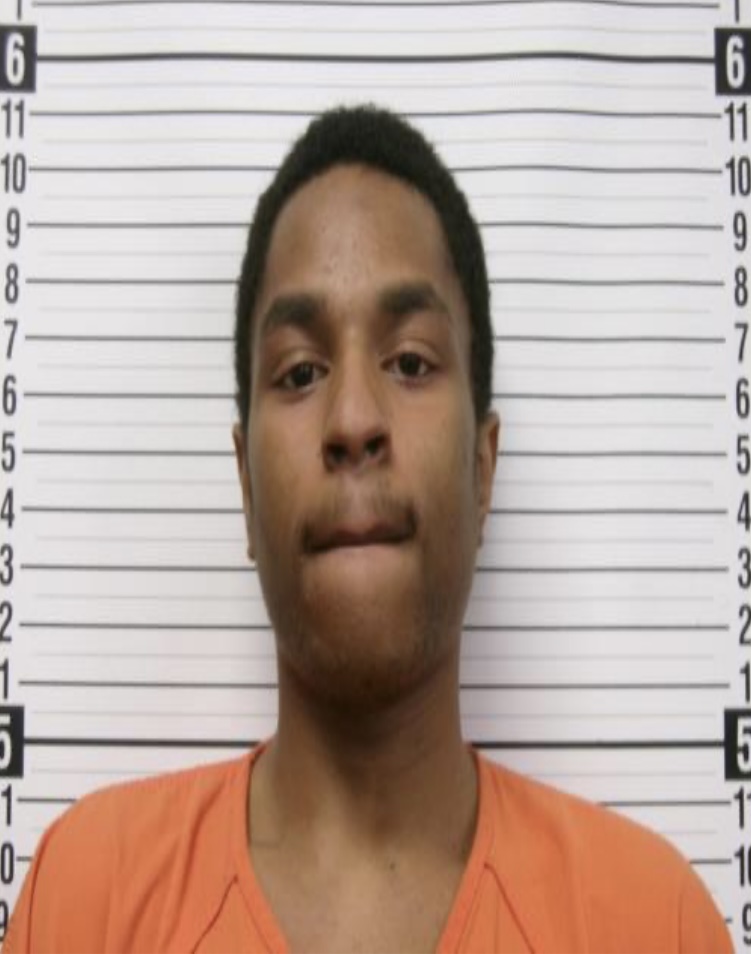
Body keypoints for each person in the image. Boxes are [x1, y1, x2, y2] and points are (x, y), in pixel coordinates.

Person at [5, 105, 732, 953]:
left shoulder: (653, 921)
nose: (352, 419)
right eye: (299, 372)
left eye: (410, 362)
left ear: (482, 469)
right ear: (245, 486)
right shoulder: (86, 900)